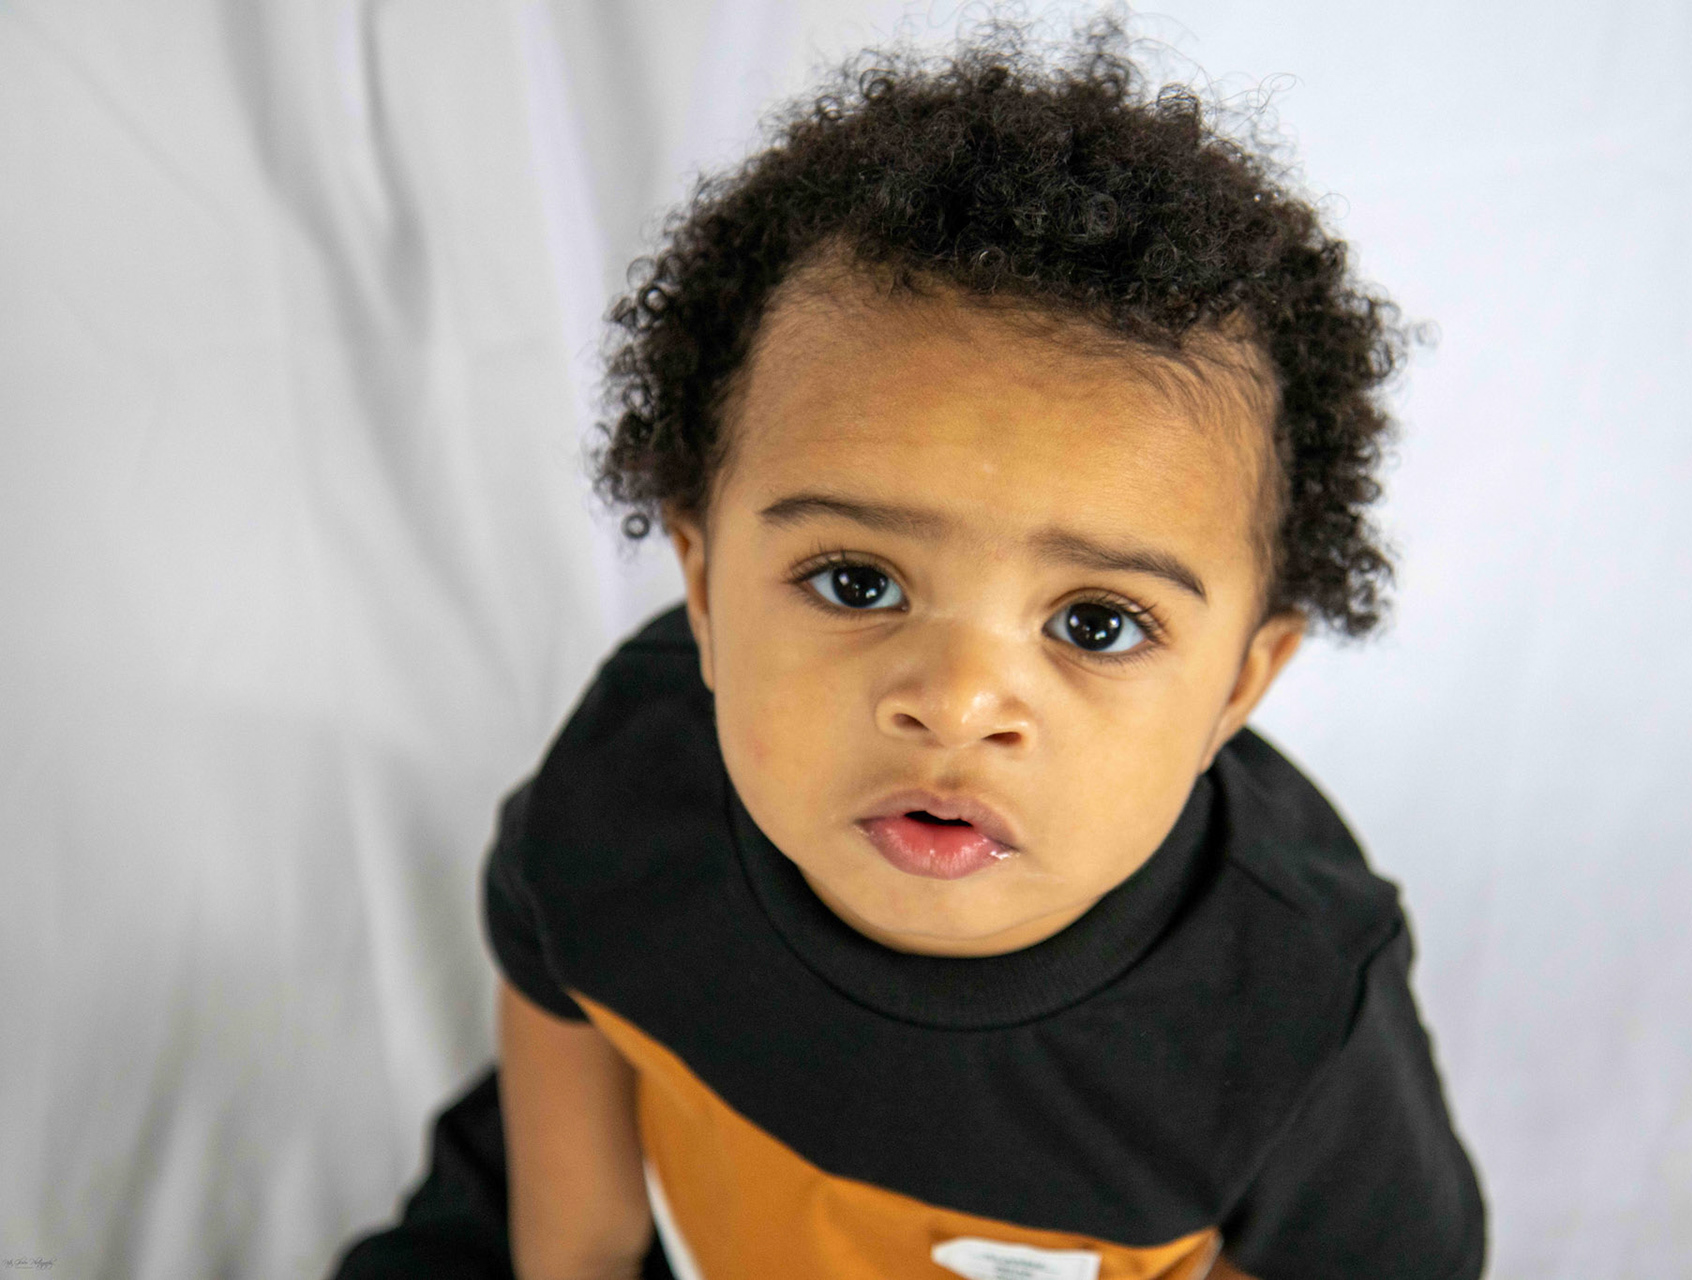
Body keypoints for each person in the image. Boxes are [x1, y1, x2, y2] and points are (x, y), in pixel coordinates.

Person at [335, 18, 1484, 1280]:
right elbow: (555, 1002)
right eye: (858, 581)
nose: (957, 701)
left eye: (1095, 623)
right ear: (704, 590)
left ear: (1238, 684)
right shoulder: (635, 775)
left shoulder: (1289, 1006)